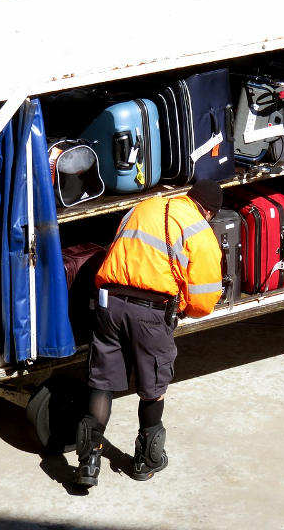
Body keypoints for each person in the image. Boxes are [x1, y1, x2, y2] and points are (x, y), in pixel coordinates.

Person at [74, 179, 224, 488]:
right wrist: (181, 307)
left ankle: (88, 463)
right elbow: (204, 300)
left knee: (102, 383)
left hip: (108, 304)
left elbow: (117, 248)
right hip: (151, 313)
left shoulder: (143, 208)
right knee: (153, 387)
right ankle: (146, 460)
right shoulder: (199, 229)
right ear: (209, 212)